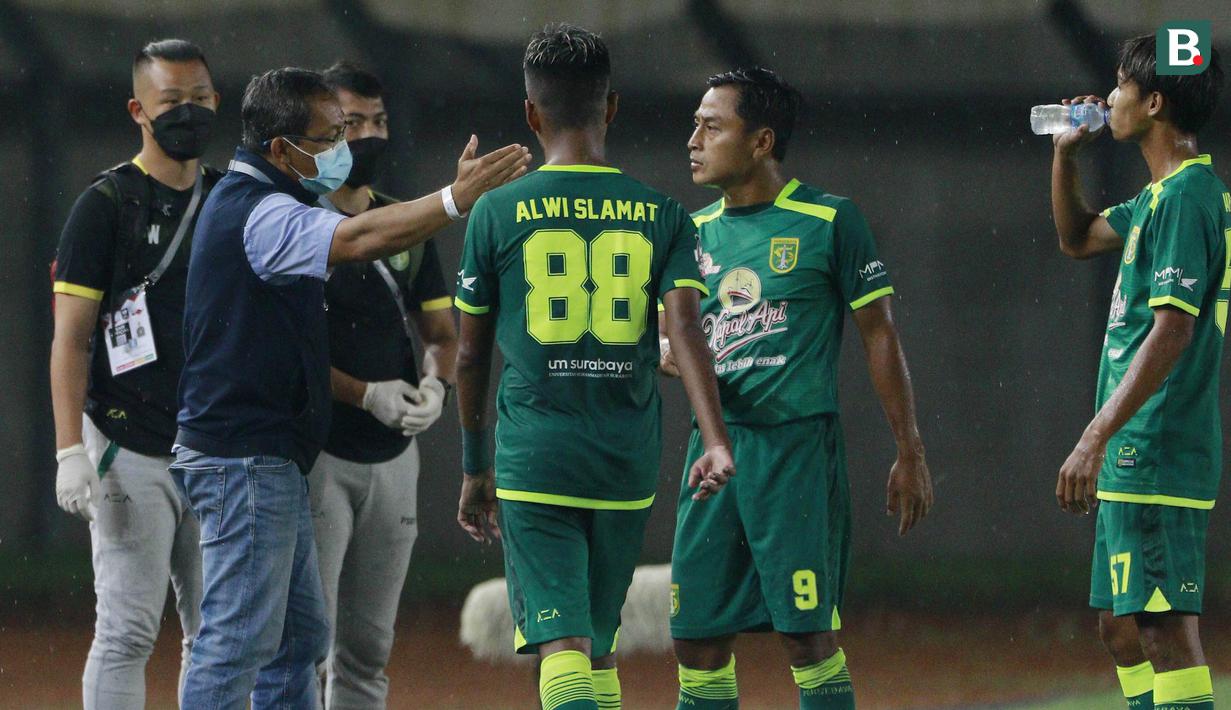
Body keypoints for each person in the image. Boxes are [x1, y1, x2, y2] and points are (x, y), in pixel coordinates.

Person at [171, 66, 530, 708]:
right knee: (235, 641)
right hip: (244, 459)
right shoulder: (260, 214)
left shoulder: (264, 201)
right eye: (330, 135)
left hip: (267, 456)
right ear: (281, 150)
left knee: (300, 633)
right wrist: (454, 198)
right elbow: (359, 238)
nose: (346, 147)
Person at [454, 24, 735, 710]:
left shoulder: (494, 212)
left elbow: (469, 354)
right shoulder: (664, 215)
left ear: (530, 113)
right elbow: (686, 329)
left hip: (535, 453)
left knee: (563, 648)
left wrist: (472, 463)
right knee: (599, 645)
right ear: (610, 108)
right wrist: (716, 439)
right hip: (624, 456)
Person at [662, 67, 934, 709]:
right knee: (696, 642)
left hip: (796, 456)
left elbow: (879, 334)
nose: (693, 139)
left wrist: (909, 448)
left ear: (761, 141)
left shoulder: (829, 220)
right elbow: (665, 337)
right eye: (694, 124)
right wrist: (669, 356)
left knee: (806, 638)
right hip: (713, 455)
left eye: (712, 125)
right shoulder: (690, 233)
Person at [1050, 35, 1226, 710]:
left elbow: (1172, 329)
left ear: (1153, 103)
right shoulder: (1159, 199)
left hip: (1155, 448)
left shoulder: (1184, 197)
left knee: (1163, 633)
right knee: (1119, 628)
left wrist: (1091, 437)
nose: (1109, 98)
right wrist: (1065, 156)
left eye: (1120, 86)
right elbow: (1076, 237)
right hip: (1135, 452)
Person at [49, 38, 220, 709]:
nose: (189, 113)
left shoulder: (229, 197)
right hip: (128, 447)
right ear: (137, 110)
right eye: (172, 101)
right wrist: (71, 452)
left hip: (215, 452)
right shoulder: (106, 205)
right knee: (127, 631)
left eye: (200, 99)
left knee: (219, 634)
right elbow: (71, 340)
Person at [307, 61, 458, 708]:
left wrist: (436, 388)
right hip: (317, 453)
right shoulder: (291, 220)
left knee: (368, 648)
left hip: (394, 455)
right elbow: (282, 354)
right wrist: (363, 392)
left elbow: (442, 333)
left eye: (378, 121)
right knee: (306, 643)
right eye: (351, 123)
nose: (368, 136)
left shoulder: (406, 222)